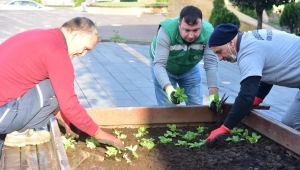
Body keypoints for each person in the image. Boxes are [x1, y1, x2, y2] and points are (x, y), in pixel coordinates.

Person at [0, 17, 124, 158]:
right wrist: (100, 134)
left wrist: (61, 115)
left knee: (55, 83)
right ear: (76, 36)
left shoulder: (41, 35)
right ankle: (19, 134)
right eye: (85, 48)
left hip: (4, 106)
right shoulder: (57, 52)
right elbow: (70, 105)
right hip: (3, 115)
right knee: (58, 86)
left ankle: (20, 130)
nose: (83, 54)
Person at [206, 23, 300, 145]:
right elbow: (269, 70)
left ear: (231, 43)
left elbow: (246, 95)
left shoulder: (249, 52)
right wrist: (257, 98)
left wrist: (225, 128)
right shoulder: (249, 39)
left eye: (219, 51)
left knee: (291, 126)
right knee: (290, 125)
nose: (219, 58)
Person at [149, 5, 219, 106]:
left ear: (201, 26)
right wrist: (169, 90)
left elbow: (211, 64)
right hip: (165, 68)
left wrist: (213, 96)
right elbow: (159, 64)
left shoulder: (209, 33)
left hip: (189, 69)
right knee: (168, 107)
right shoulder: (166, 32)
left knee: (196, 106)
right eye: (186, 30)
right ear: (179, 25)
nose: (191, 36)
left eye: (195, 30)